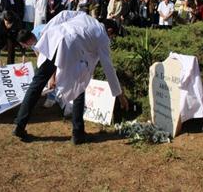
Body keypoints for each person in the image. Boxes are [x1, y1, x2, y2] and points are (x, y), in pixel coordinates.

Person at [13, 11, 129, 145]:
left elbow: (63, 14)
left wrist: (47, 31)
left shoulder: (84, 16)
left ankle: (19, 125)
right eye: (112, 36)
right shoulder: (103, 37)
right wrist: (119, 94)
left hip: (54, 38)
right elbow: (108, 67)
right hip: (69, 48)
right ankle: (78, 133)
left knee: (36, 84)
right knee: (79, 88)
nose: (111, 39)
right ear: (109, 30)